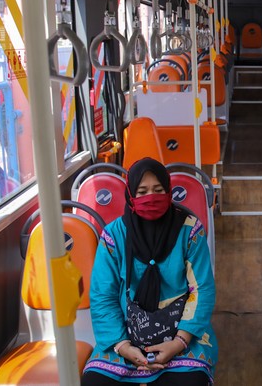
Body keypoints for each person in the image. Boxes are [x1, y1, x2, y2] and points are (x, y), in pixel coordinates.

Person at [82, 158, 217, 385]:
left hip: (183, 335)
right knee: (95, 382)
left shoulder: (190, 230)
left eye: (158, 190)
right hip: (125, 333)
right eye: (142, 192)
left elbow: (201, 289)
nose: (150, 198)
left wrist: (178, 343)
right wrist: (123, 346)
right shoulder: (113, 236)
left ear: (168, 192)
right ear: (130, 196)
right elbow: (102, 295)